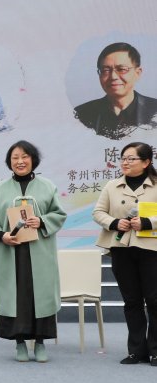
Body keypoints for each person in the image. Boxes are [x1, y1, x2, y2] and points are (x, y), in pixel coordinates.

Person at [0, 140, 66, 362]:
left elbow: (59, 214)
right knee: (16, 298)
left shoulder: (47, 186)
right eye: (15, 158)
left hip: (40, 252)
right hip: (11, 252)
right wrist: (2, 235)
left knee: (40, 297)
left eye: (24, 157)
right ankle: (19, 343)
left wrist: (42, 221)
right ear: (9, 162)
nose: (20, 161)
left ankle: (40, 343)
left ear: (33, 160)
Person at [93, 142, 157, 366]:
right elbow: (98, 212)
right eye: (123, 158)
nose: (125, 162)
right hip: (122, 249)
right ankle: (136, 351)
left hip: (151, 249)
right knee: (131, 301)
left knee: (154, 300)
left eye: (131, 159)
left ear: (146, 162)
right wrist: (114, 222)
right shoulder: (112, 185)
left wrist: (148, 222)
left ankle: (155, 350)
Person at [74, 42, 157, 140]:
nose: (113, 76)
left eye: (122, 69)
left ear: (137, 73)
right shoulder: (82, 114)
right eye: (106, 70)